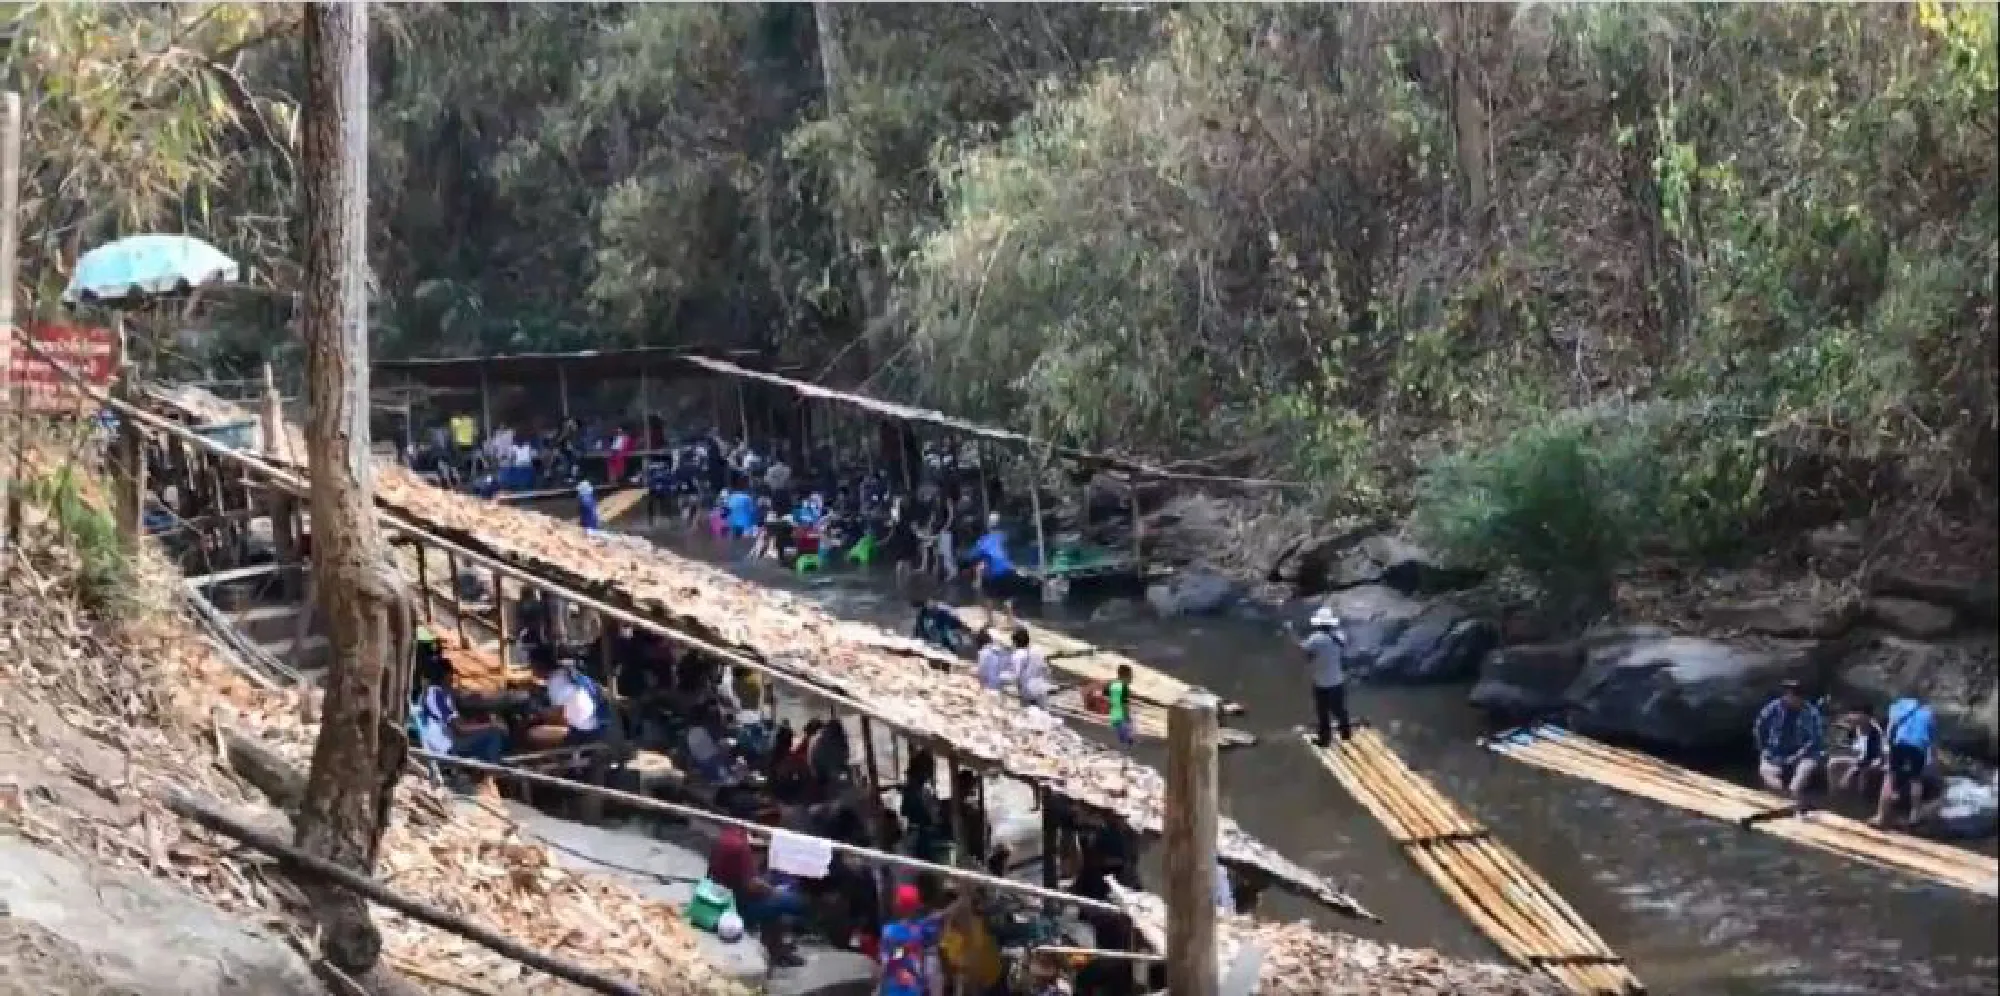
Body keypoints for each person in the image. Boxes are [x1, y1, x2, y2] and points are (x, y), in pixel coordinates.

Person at [707, 826, 806, 968]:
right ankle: (777, 949)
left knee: (774, 901)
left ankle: (776, 949)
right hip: (735, 906)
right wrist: (772, 890)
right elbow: (751, 886)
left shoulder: (726, 836)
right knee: (793, 900)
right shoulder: (740, 847)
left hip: (723, 894)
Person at [411, 637, 507, 766]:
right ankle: (489, 773)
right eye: (451, 678)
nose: (454, 682)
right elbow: (459, 729)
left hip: (450, 740)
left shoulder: (444, 695)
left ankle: (489, 768)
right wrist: (491, 726)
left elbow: (459, 723)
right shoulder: (435, 695)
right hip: (445, 749)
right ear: (445, 677)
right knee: (494, 734)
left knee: (491, 727)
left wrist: (482, 722)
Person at [876, 884, 969, 996]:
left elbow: (941, 916)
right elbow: (889, 960)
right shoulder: (898, 931)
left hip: (908, 987)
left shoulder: (907, 929)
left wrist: (961, 900)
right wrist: (905, 949)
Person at [1752, 680, 1825, 798]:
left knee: (1802, 775)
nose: (1790, 697)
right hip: (1775, 751)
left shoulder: (1812, 713)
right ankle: (1780, 794)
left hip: (1804, 754)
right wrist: (1763, 748)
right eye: (1788, 693)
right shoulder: (1773, 707)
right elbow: (1759, 726)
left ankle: (1793, 796)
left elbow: (1814, 739)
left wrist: (1797, 756)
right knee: (1768, 774)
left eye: (1794, 694)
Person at [1874, 695, 1937, 827]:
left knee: (1890, 777)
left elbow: (1891, 727)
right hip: (1919, 747)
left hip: (1901, 743)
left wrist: (1887, 745)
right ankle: (1914, 816)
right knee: (1916, 779)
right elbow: (1932, 738)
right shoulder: (1928, 712)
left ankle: (1881, 816)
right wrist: (1932, 758)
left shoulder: (1898, 706)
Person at [524, 655, 605, 750]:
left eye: (532, 667)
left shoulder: (555, 681)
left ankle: (558, 759)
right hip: (594, 725)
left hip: (584, 732)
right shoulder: (565, 673)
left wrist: (538, 716)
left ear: (539, 666)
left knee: (532, 733)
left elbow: (560, 718)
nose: (532, 672)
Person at [1298, 607, 1352, 748]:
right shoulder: (1340, 637)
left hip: (1321, 682)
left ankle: (1324, 740)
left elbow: (1306, 653)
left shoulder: (1315, 639)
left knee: (1323, 712)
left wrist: (1293, 637)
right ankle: (1346, 733)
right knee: (1339, 709)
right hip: (1337, 680)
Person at [1826, 705, 1887, 799]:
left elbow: (1871, 756)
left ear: (1866, 716)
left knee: (1863, 773)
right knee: (1832, 762)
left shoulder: (1874, 731)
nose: (1852, 716)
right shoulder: (1855, 728)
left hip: (1876, 761)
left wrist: (1850, 771)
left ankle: (1860, 799)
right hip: (1860, 758)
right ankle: (1834, 794)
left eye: (1856, 713)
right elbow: (1850, 745)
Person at [1011, 628, 1051, 709]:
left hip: (1027, 691)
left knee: (1029, 714)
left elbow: (1016, 676)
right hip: (1041, 688)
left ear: (1016, 643)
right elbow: (1046, 670)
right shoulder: (1038, 649)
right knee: (1043, 712)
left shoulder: (1017, 655)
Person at [1106, 664, 1136, 748]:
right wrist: (1127, 715)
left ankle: (1124, 740)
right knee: (1127, 727)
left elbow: (1106, 693)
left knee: (1119, 727)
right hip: (1121, 712)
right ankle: (1127, 741)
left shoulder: (1113, 683)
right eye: (1130, 676)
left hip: (1114, 711)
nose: (1131, 678)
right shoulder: (1124, 688)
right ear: (1125, 676)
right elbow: (1124, 703)